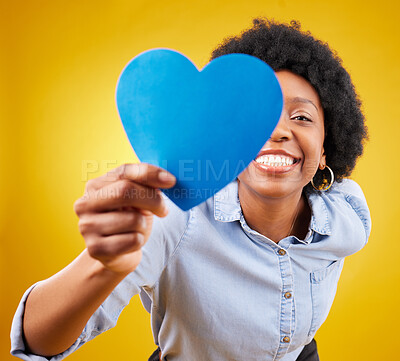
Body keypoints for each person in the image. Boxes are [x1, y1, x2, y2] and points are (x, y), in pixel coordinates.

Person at [10, 18, 371, 361]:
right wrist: (100, 265)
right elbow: (39, 341)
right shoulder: (171, 218)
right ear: (225, 140)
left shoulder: (346, 211)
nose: (277, 132)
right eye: (254, 117)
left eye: (302, 117)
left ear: (326, 149)